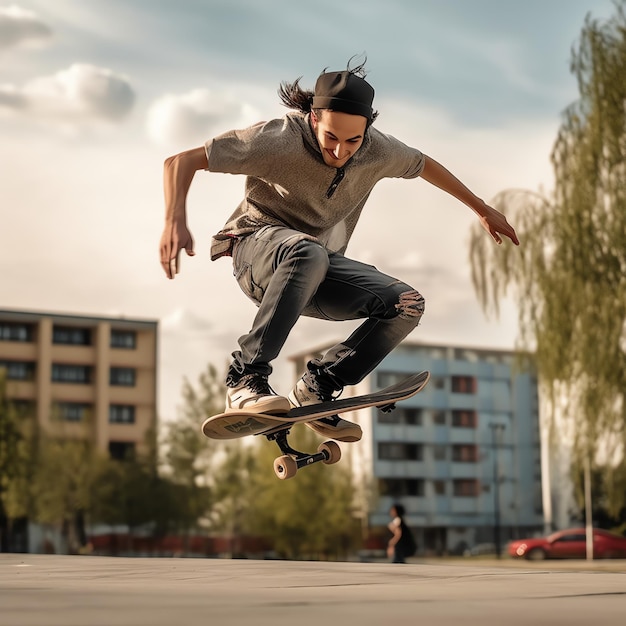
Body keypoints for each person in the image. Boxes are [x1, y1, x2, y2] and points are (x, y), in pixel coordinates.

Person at [159, 58, 519, 443]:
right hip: (256, 252)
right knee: (307, 252)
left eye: (353, 141)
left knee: (406, 304)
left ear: (367, 131)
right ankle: (245, 376)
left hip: (313, 270)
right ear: (314, 119)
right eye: (331, 137)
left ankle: (320, 384)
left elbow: (425, 164)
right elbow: (180, 161)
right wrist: (173, 219)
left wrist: (481, 209)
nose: (340, 151)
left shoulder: (377, 150)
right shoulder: (277, 139)